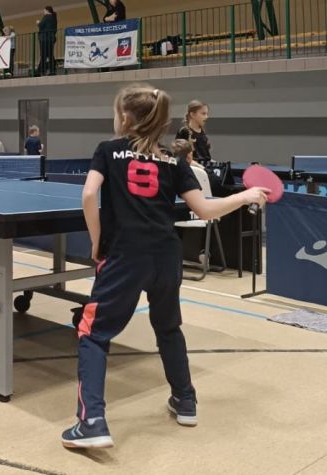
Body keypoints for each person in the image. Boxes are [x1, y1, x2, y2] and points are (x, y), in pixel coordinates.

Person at [61, 84, 268, 450]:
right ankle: (185, 401)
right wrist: (245, 196)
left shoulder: (108, 150)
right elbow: (204, 209)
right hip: (166, 256)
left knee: (92, 333)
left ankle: (91, 421)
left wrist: (96, 241)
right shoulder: (174, 160)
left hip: (126, 255)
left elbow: (89, 194)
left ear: (125, 118)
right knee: (168, 328)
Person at [175, 100, 211, 164]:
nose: (206, 117)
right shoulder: (184, 131)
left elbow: (206, 158)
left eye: (207, 114)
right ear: (192, 114)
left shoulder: (202, 132)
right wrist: (202, 168)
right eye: (203, 114)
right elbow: (181, 158)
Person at [37, 6, 57, 76]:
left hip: (45, 38)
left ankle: (40, 71)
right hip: (50, 38)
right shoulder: (53, 18)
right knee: (49, 54)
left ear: (47, 10)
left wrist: (38, 23)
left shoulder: (46, 17)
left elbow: (41, 25)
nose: (43, 12)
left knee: (44, 54)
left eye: (44, 10)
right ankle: (50, 70)